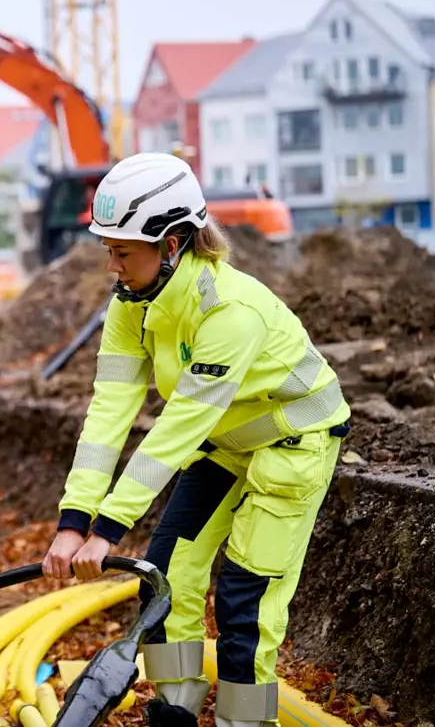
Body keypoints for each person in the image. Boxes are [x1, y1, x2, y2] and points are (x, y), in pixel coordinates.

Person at [42, 152, 350, 727]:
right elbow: (108, 412)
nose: (112, 266)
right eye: (108, 249)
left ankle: (244, 721)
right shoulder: (131, 305)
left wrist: (107, 530)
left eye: (123, 252)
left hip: (293, 444)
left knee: (244, 601)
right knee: (163, 577)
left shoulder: (230, 311)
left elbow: (178, 427)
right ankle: (175, 709)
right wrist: (74, 519)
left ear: (172, 243)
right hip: (226, 445)